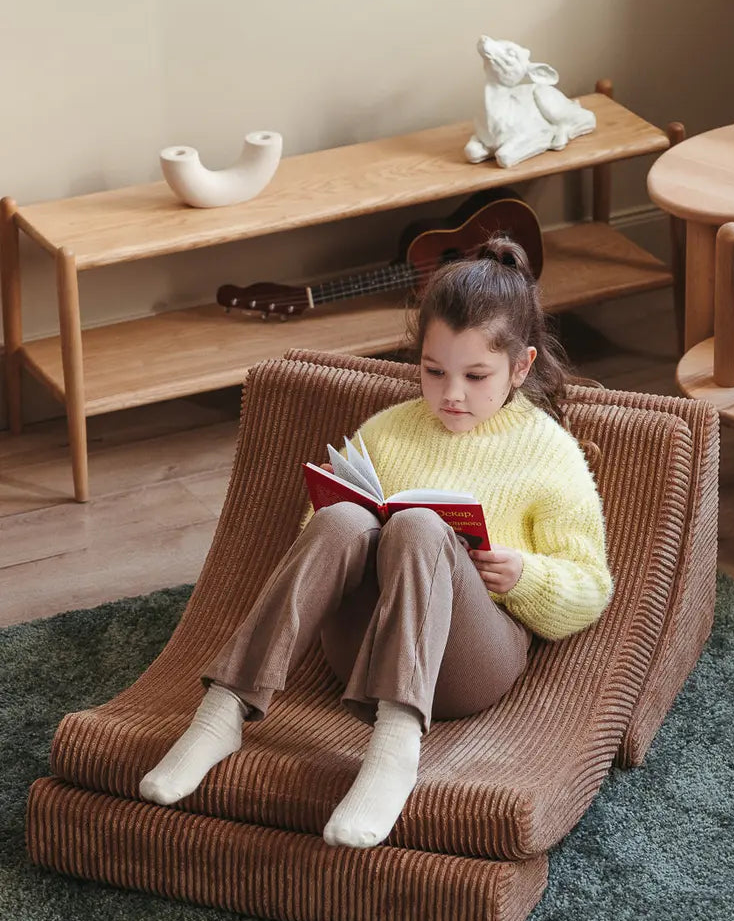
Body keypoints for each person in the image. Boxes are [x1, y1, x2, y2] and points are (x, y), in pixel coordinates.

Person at [139, 236, 614, 849]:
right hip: (360, 648)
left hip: (468, 662)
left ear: (520, 368)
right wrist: (338, 525)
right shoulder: (386, 432)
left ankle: (394, 748)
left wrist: (525, 574)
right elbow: (320, 545)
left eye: (476, 376)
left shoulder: (549, 453)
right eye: (433, 370)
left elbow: (592, 586)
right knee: (340, 520)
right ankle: (224, 711)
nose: (451, 394)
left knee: (418, 524)